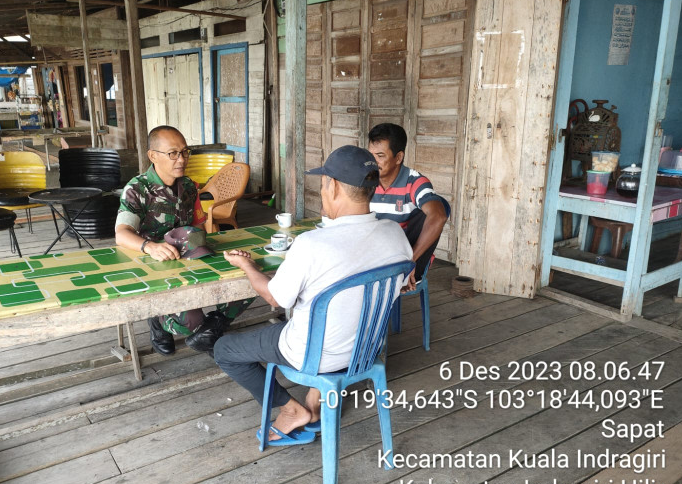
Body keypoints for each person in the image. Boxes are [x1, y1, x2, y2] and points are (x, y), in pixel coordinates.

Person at [214, 145, 412, 445]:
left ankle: (291, 409)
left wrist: (247, 264)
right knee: (334, 320)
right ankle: (315, 403)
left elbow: (274, 299)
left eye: (322, 185)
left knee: (225, 349)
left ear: (332, 186)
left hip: (312, 355)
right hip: (365, 349)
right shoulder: (395, 234)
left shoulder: (312, 244)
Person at [115, 125, 252, 356]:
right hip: (154, 263)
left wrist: (202, 247)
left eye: (185, 152)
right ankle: (159, 323)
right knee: (193, 319)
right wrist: (150, 247)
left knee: (247, 279)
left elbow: (198, 225)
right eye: (173, 153)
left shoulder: (188, 186)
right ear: (153, 155)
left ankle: (213, 326)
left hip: (188, 255)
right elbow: (122, 233)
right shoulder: (137, 188)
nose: (181, 159)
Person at [367, 123, 450, 290]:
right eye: (371, 155)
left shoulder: (415, 182)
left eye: (380, 156)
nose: (373, 162)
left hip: (406, 255)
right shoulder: (366, 180)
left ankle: (403, 274)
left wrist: (409, 262)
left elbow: (439, 216)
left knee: (427, 214)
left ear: (398, 158)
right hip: (374, 254)